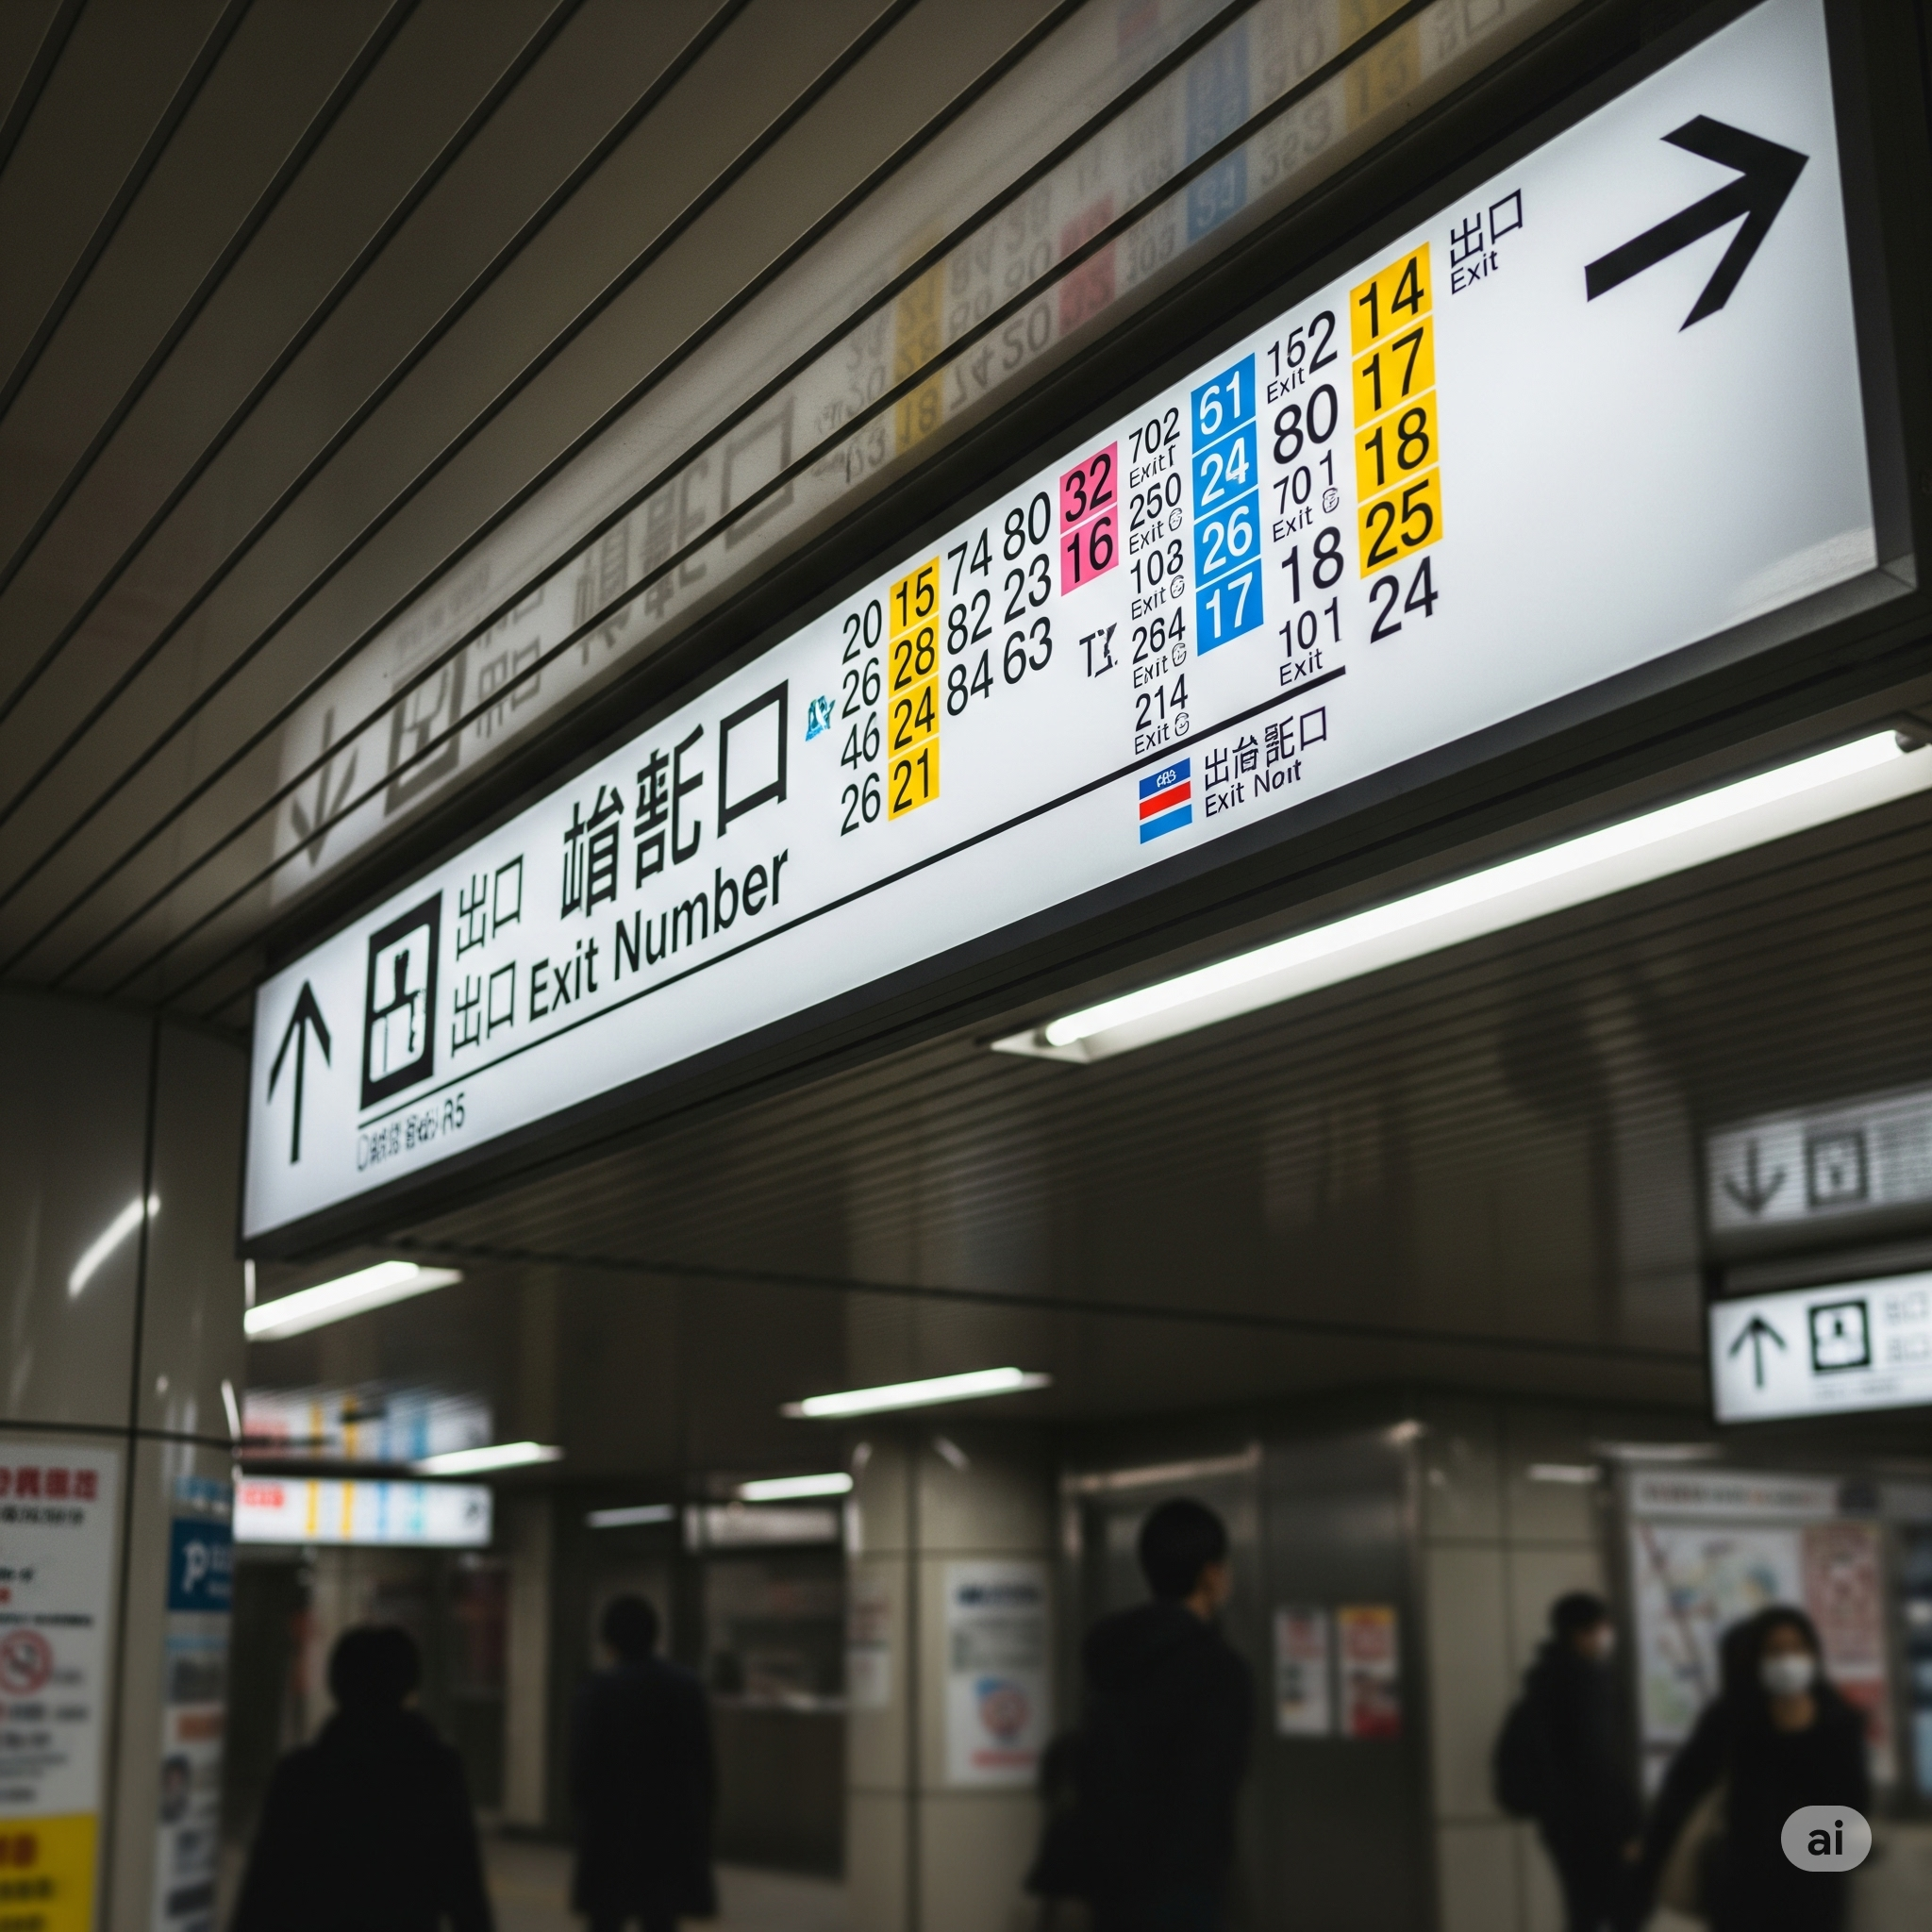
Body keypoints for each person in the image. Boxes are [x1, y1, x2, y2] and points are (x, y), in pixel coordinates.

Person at [1052, 1497, 1254, 1932]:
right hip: (1182, 1886)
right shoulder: (1218, 1670)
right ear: (1210, 1574)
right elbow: (1213, 1785)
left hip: (1110, 1881)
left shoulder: (1112, 1651)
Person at [232, 1623, 492, 1932]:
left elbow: (261, 1893)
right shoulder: (436, 1773)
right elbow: (466, 1891)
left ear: (336, 1684)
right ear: (410, 1683)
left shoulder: (301, 1775)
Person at [1641, 1606, 1870, 1932]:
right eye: (1774, 1651)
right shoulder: (1731, 1718)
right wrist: (1648, 1861)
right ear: (1755, 1659)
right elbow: (1683, 1788)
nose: (1787, 1660)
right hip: (1742, 1890)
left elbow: (1855, 1803)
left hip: (1815, 1892)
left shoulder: (1837, 1721)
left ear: (1812, 1655)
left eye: (1797, 1649)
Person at [1493, 1591, 1642, 1932]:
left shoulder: (1547, 1679)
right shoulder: (1584, 1682)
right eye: (1603, 1627)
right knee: (1622, 1913)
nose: (1608, 1636)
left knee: (1584, 1913)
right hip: (1595, 1822)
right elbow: (1596, 1760)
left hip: (1561, 1820)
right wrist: (1629, 1825)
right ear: (1581, 1633)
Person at [570, 1593, 716, 1932]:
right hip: (669, 1834)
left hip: (610, 1834)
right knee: (661, 1920)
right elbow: (703, 1768)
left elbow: (582, 1772)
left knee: (605, 1920)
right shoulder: (686, 1688)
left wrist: (583, 1825)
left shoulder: (597, 1692)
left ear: (609, 1641)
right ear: (655, 1635)